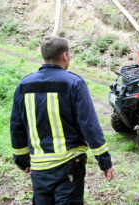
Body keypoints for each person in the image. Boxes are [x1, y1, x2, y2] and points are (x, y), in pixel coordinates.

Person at [10, 36, 114, 204]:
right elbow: (89, 125)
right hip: (69, 165)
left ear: (44, 55)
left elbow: (16, 126)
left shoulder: (23, 86)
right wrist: (104, 160)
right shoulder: (74, 83)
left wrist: (22, 160)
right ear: (65, 56)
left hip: (39, 168)